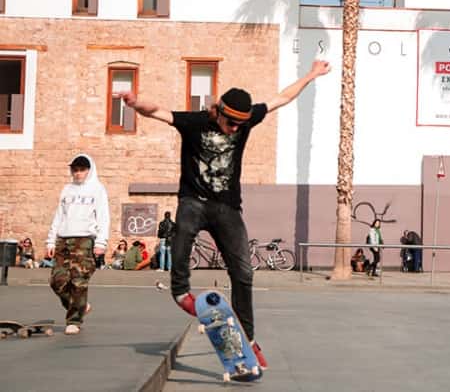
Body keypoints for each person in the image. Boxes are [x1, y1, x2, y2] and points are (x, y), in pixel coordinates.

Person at [119, 59, 330, 370]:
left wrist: (311, 75)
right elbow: (158, 111)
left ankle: (249, 339)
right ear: (218, 111)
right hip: (194, 199)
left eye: (239, 126)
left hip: (227, 207)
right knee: (184, 230)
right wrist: (136, 103)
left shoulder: (245, 120)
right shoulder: (194, 122)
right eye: (230, 123)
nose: (235, 130)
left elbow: (281, 98)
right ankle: (181, 293)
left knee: (244, 272)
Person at [45, 154, 109, 335]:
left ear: (89, 170)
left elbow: (103, 217)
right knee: (56, 281)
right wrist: (51, 240)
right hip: (63, 239)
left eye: (82, 170)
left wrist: (101, 242)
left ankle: (74, 320)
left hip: (84, 239)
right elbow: (59, 216)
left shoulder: (97, 189)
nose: (78, 173)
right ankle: (81, 306)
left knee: (79, 282)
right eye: (75, 170)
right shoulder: (67, 189)